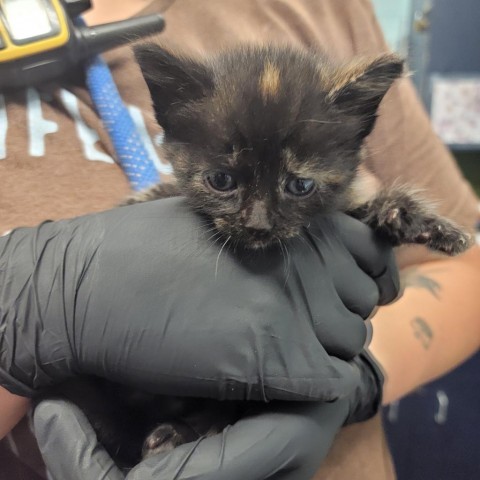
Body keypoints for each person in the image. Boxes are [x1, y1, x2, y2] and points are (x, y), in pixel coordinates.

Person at [0, 0, 479, 479]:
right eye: (225, 183)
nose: (259, 221)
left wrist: (359, 376)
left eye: (299, 186)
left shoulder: (321, 9)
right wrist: (32, 308)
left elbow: (465, 266)